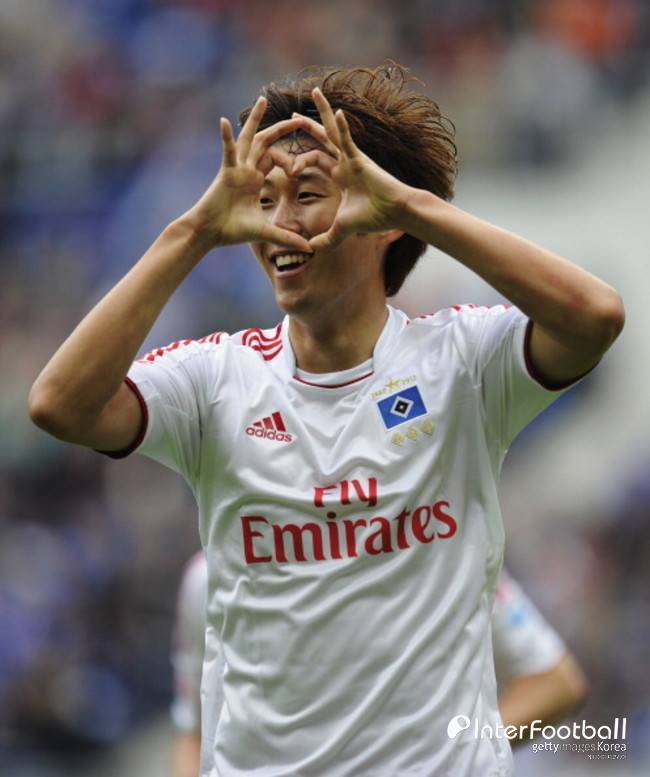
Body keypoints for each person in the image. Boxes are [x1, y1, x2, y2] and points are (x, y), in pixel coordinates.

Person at [28, 63, 624, 775]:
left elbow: (595, 315)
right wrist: (193, 230)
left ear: (381, 218)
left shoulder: (463, 360)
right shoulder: (214, 379)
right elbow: (59, 404)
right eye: (264, 199)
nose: (277, 223)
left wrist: (416, 207)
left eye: (308, 195)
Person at [170, 555, 587, 776]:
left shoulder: (437, 545)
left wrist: (444, 755)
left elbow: (555, 682)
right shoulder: (207, 581)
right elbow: (194, 734)